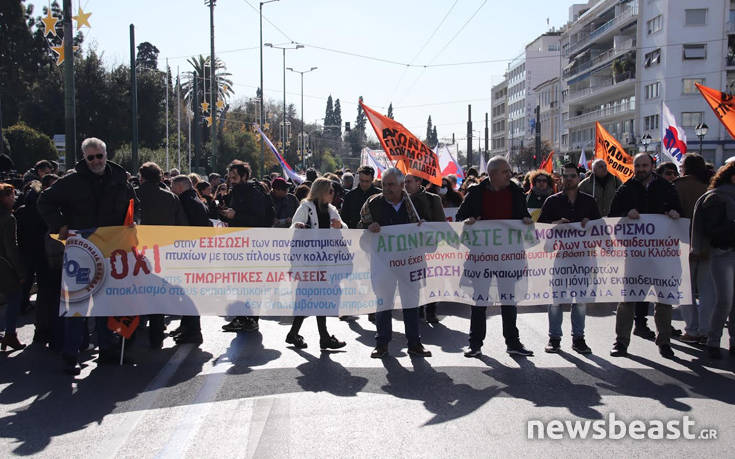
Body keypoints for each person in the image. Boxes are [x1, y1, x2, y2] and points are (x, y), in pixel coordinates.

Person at [38, 137, 139, 374]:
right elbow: (45, 201)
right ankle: (70, 355)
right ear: (84, 157)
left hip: (112, 250)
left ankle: (106, 350)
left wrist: (135, 223)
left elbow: (135, 205)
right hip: (81, 251)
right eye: (90, 157)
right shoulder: (70, 181)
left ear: (106, 154)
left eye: (99, 156)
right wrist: (59, 224)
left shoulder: (120, 179)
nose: (95, 161)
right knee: (77, 305)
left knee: (105, 302)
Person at [456, 156, 534, 358]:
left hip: (509, 257)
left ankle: (513, 343)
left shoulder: (516, 192)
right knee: (480, 301)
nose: (509, 174)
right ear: (492, 174)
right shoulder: (475, 192)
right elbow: (459, 218)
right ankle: (475, 344)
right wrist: (469, 220)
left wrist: (525, 220)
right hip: (481, 258)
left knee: (509, 300)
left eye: (509, 171)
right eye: (505, 172)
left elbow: (523, 215)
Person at [609, 153, 682, 359]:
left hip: (662, 255)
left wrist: (674, 213)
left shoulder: (667, 188)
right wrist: (626, 213)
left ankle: (664, 342)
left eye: (644, 165)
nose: (641, 169)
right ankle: (621, 342)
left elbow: (680, 213)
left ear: (652, 166)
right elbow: (613, 217)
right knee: (627, 299)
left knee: (664, 299)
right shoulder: (625, 189)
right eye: (637, 166)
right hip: (635, 255)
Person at [359, 168, 432, 358]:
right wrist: (369, 228)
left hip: (409, 263)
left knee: (411, 304)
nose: (386, 188)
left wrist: (422, 227)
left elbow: (429, 229)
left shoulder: (415, 204)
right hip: (384, 265)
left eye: (391, 185)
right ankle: (382, 343)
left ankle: (414, 343)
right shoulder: (372, 205)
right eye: (384, 184)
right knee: (384, 303)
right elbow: (360, 231)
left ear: (401, 186)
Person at [538, 163, 601, 354]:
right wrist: (555, 224)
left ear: (578, 178)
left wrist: (590, 224)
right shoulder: (552, 201)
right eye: (565, 176)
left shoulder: (589, 202)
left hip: (584, 258)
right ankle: (554, 338)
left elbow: (600, 228)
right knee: (557, 299)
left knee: (580, 299)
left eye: (573, 176)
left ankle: (578, 338)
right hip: (560, 257)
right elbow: (540, 228)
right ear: (561, 179)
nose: (569, 179)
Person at [285, 178, 347, 350]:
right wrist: (297, 226)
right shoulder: (305, 208)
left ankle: (297, 334)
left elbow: (345, 230)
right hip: (308, 261)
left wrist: (340, 225)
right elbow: (292, 230)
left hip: (325, 261)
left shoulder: (332, 210)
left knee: (317, 298)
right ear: (322, 191)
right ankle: (322, 337)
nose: (333, 194)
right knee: (312, 298)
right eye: (331, 191)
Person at [137, 162, 188, 349]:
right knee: (156, 294)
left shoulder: (135, 194)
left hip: (137, 251)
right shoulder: (171, 198)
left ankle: (132, 332)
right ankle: (156, 335)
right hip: (162, 252)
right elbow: (181, 225)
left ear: (142, 177)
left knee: (133, 292)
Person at [219, 163, 274, 333]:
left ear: (244, 176)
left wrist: (236, 215)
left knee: (251, 283)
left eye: (234, 177)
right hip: (240, 244)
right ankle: (243, 317)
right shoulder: (237, 191)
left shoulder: (253, 192)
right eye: (229, 177)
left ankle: (249, 318)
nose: (231, 181)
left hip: (253, 245)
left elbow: (259, 220)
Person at [691, 162, 735, 359]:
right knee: (724, 300)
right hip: (722, 253)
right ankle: (713, 341)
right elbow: (712, 229)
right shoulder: (716, 198)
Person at [674, 153, 712, 344]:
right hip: (708, 245)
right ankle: (706, 330)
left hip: (683, 243)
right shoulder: (710, 187)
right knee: (707, 291)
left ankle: (692, 330)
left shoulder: (678, 187)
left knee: (685, 289)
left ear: (685, 168)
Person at [170, 175, 212, 345]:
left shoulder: (184, 203)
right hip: (197, 254)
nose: (171, 189)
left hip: (190, 254)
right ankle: (187, 326)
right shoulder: (196, 200)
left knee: (189, 294)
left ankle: (194, 331)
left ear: (180, 187)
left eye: (173, 186)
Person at [405, 174, 446, 323]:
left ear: (418, 182)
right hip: (410, 247)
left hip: (430, 246)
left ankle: (431, 310)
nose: (406, 185)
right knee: (415, 279)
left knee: (431, 279)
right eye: (404, 182)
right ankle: (418, 310)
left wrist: (427, 224)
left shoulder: (432, 199)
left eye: (409, 182)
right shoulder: (402, 199)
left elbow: (441, 224)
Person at [0, 183, 26, 351]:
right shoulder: (8, 218)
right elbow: (11, 247)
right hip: (5, 266)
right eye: (9, 195)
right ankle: (10, 334)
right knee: (14, 299)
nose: (13, 198)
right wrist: (21, 271)